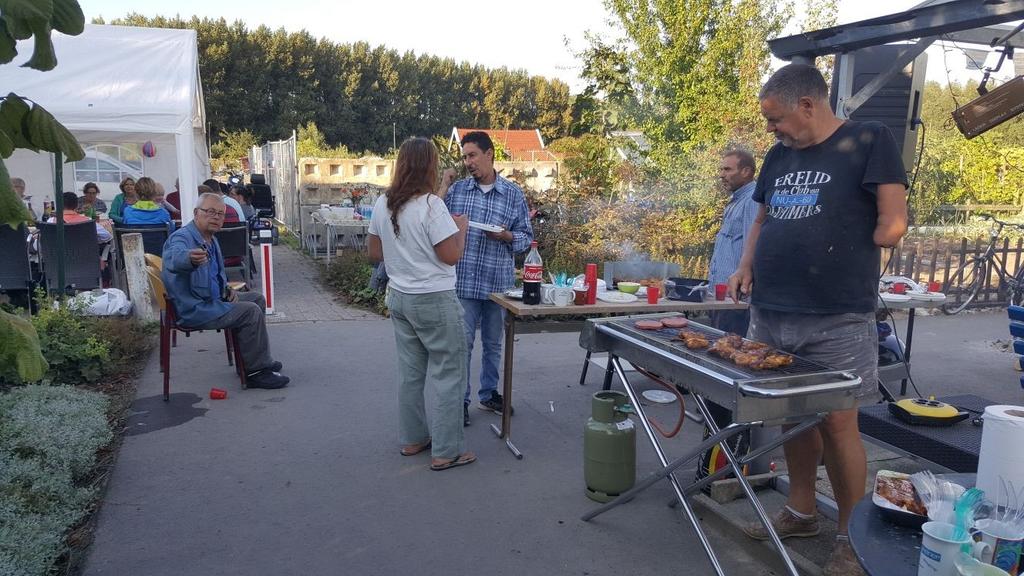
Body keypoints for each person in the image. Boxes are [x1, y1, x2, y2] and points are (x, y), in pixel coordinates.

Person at [728, 64, 908, 576]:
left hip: (836, 314)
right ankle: (801, 511)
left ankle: (853, 538)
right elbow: (762, 217)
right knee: (791, 415)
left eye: (776, 118)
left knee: (838, 422)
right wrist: (745, 265)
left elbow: (893, 219)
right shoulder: (780, 155)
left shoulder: (870, 138)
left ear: (808, 105)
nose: (772, 130)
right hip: (773, 308)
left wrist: (878, 234)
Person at [367, 137, 474, 471]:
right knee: (450, 373)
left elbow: (374, 254)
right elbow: (451, 256)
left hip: (400, 297)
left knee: (411, 374)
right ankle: (446, 451)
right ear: (430, 166)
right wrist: (461, 230)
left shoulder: (384, 203)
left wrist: (405, 256)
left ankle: (414, 439)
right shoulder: (431, 205)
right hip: (434, 299)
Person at [441, 131, 533, 427]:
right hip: (464, 282)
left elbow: (526, 238)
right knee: (462, 345)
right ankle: (461, 402)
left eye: (472, 155)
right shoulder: (458, 192)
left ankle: (489, 393)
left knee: (494, 344)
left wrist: (506, 236)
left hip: (498, 285)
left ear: (490, 154)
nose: (468, 162)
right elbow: (434, 223)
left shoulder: (512, 194)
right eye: (465, 156)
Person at [161, 192, 289, 389]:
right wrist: (189, 259)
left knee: (256, 299)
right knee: (249, 312)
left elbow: (214, 276)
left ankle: (253, 359)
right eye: (210, 212)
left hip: (212, 301)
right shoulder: (182, 238)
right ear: (196, 213)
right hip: (194, 309)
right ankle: (255, 372)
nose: (216, 217)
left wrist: (225, 290)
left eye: (220, 214)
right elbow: (173, 258)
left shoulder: (210, 238)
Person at [707, 149, 759, 336]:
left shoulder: (752, 200)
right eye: (722, 169)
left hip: (736, 299)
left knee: (729, 354)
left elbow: (753, 246)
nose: (722, 175)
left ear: (746, 171)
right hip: (721, 297)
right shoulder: (736, 200)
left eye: (727, 169)